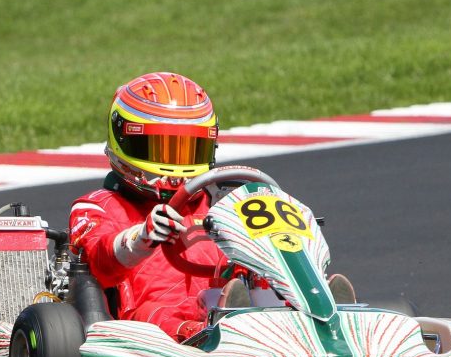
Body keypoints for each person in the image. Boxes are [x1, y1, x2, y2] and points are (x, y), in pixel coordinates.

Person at [69, 72, 355, 343]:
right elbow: (102, 258)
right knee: (161, 315)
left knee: (261, 282)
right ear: (125, 141)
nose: (176, 166)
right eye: (162, 149)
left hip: (225, 299)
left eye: (188, 150)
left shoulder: (223, 206)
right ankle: (215, 331)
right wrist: (142, 237)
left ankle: (321, 313)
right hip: (148, 323)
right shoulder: (96, 206)